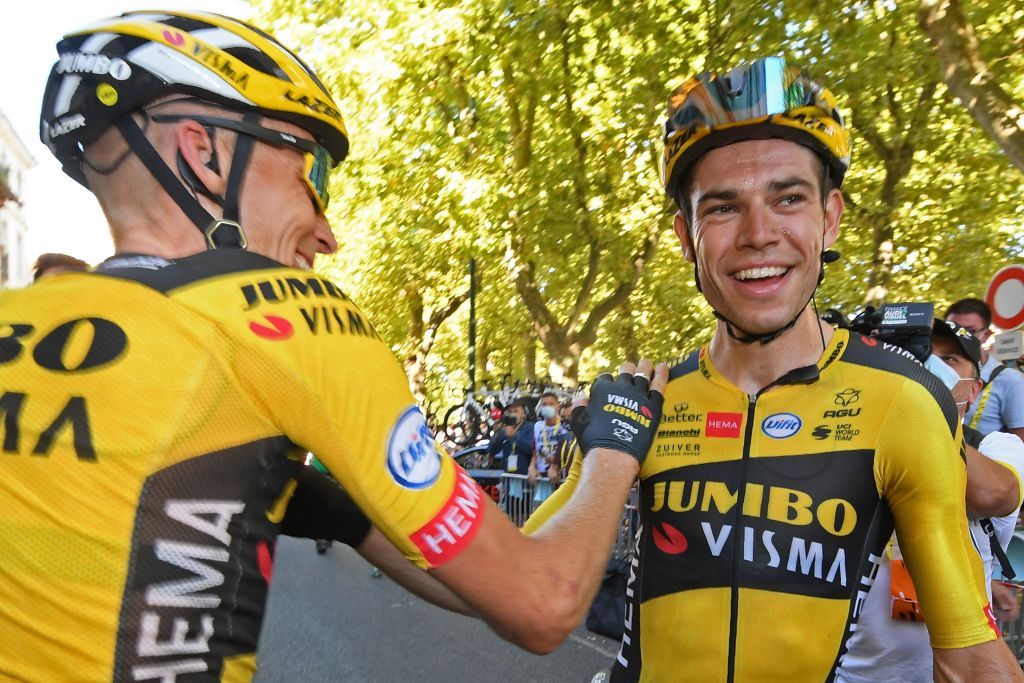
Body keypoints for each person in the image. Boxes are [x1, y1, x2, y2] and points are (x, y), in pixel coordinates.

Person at [1, 11, 668, 681]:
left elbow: (473, 581)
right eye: (312, 174)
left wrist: (350, 520)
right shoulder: (283, 319)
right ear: (204, 153)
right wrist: (613, 444)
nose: (327, 233)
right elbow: (543, 601)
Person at [525, 56, 1023, 681]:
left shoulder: (901, 399)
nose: (759, 233)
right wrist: (606, 460)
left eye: (788, 198)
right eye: (723, 208)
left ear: (830, 217)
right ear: (686, 236)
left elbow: (974, 658)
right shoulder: (643, 402)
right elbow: (524, 590)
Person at [836, 319, 1024, 682]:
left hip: (947, 671)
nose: (926, 363)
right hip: (849, 671)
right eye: (916, 355)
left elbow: (994, 495)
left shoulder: (997, 447)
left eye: (949, 359)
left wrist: (923, 416)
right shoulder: (857, 443)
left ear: (974, 390)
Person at [946, 298, 1024, 442]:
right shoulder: (932, 368)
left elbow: (1020, 440)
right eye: (952, 329)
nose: (959, 337)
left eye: (969, 331)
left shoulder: (1011, 380)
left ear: (986, 335)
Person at [529, 391, 571, 502]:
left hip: (558, 477)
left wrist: (555, 463)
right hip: (541, 477)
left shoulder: (565, 426)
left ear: (557, 406)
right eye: (544, 404)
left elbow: (569, 451)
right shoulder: (537, 426)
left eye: (551, 404)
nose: (547, 406)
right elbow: (534, 451)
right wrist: (532, 467)